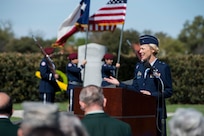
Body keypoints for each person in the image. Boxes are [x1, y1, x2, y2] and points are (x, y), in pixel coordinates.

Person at [104, 35, 173, 136]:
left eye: (142, 48)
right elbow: (135, 88)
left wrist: (151, 95)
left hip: (156, 114)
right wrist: (120, 84)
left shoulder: (162, 67)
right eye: (140, 49)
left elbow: (168, 91)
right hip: (140, 113)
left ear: (153, 49)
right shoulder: (139, 66)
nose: (140, 51)